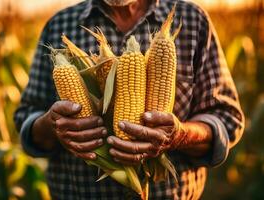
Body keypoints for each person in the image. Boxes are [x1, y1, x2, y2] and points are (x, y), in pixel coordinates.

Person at [14, 0, 245, 199]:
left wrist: (181, 135)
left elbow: (227, 119)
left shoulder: (194, 20)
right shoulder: (58, 25)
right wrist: (51, 126)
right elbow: (26, 117)